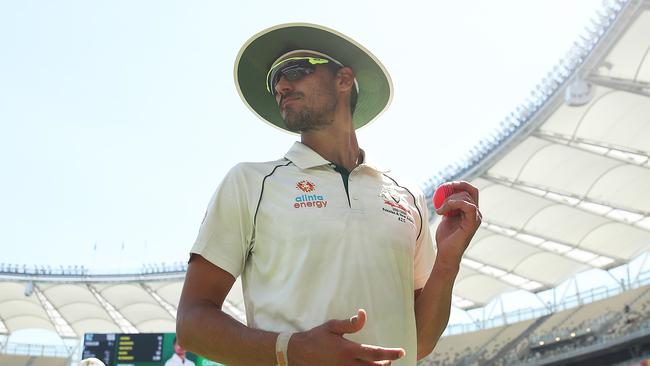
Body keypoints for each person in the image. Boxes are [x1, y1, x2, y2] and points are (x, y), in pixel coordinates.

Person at [176, 23, 482, 366]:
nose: (280, 86)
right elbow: (191, 324)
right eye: (274, 80)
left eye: (294, 70)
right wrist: (290, 350)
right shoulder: (250, 181)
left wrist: (447, 261)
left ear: (343, 80)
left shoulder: (407, 194)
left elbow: (420, 342)